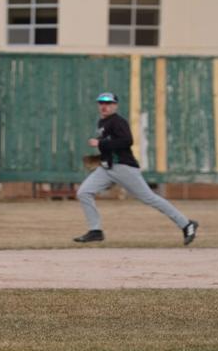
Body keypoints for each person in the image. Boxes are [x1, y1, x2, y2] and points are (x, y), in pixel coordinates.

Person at [73, 92, 198, 246]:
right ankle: (95, 231)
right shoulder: (102, 122)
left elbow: (127, 141)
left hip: (124, 168)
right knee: (84, 192)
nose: (104, 106)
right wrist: (101, 153)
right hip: (107, 168)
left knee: (150, 198)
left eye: (108, 103)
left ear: (115, 105)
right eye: (101, 103)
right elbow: (110, 144)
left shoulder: (118, 122)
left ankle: (186, 224)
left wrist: (100, 144)